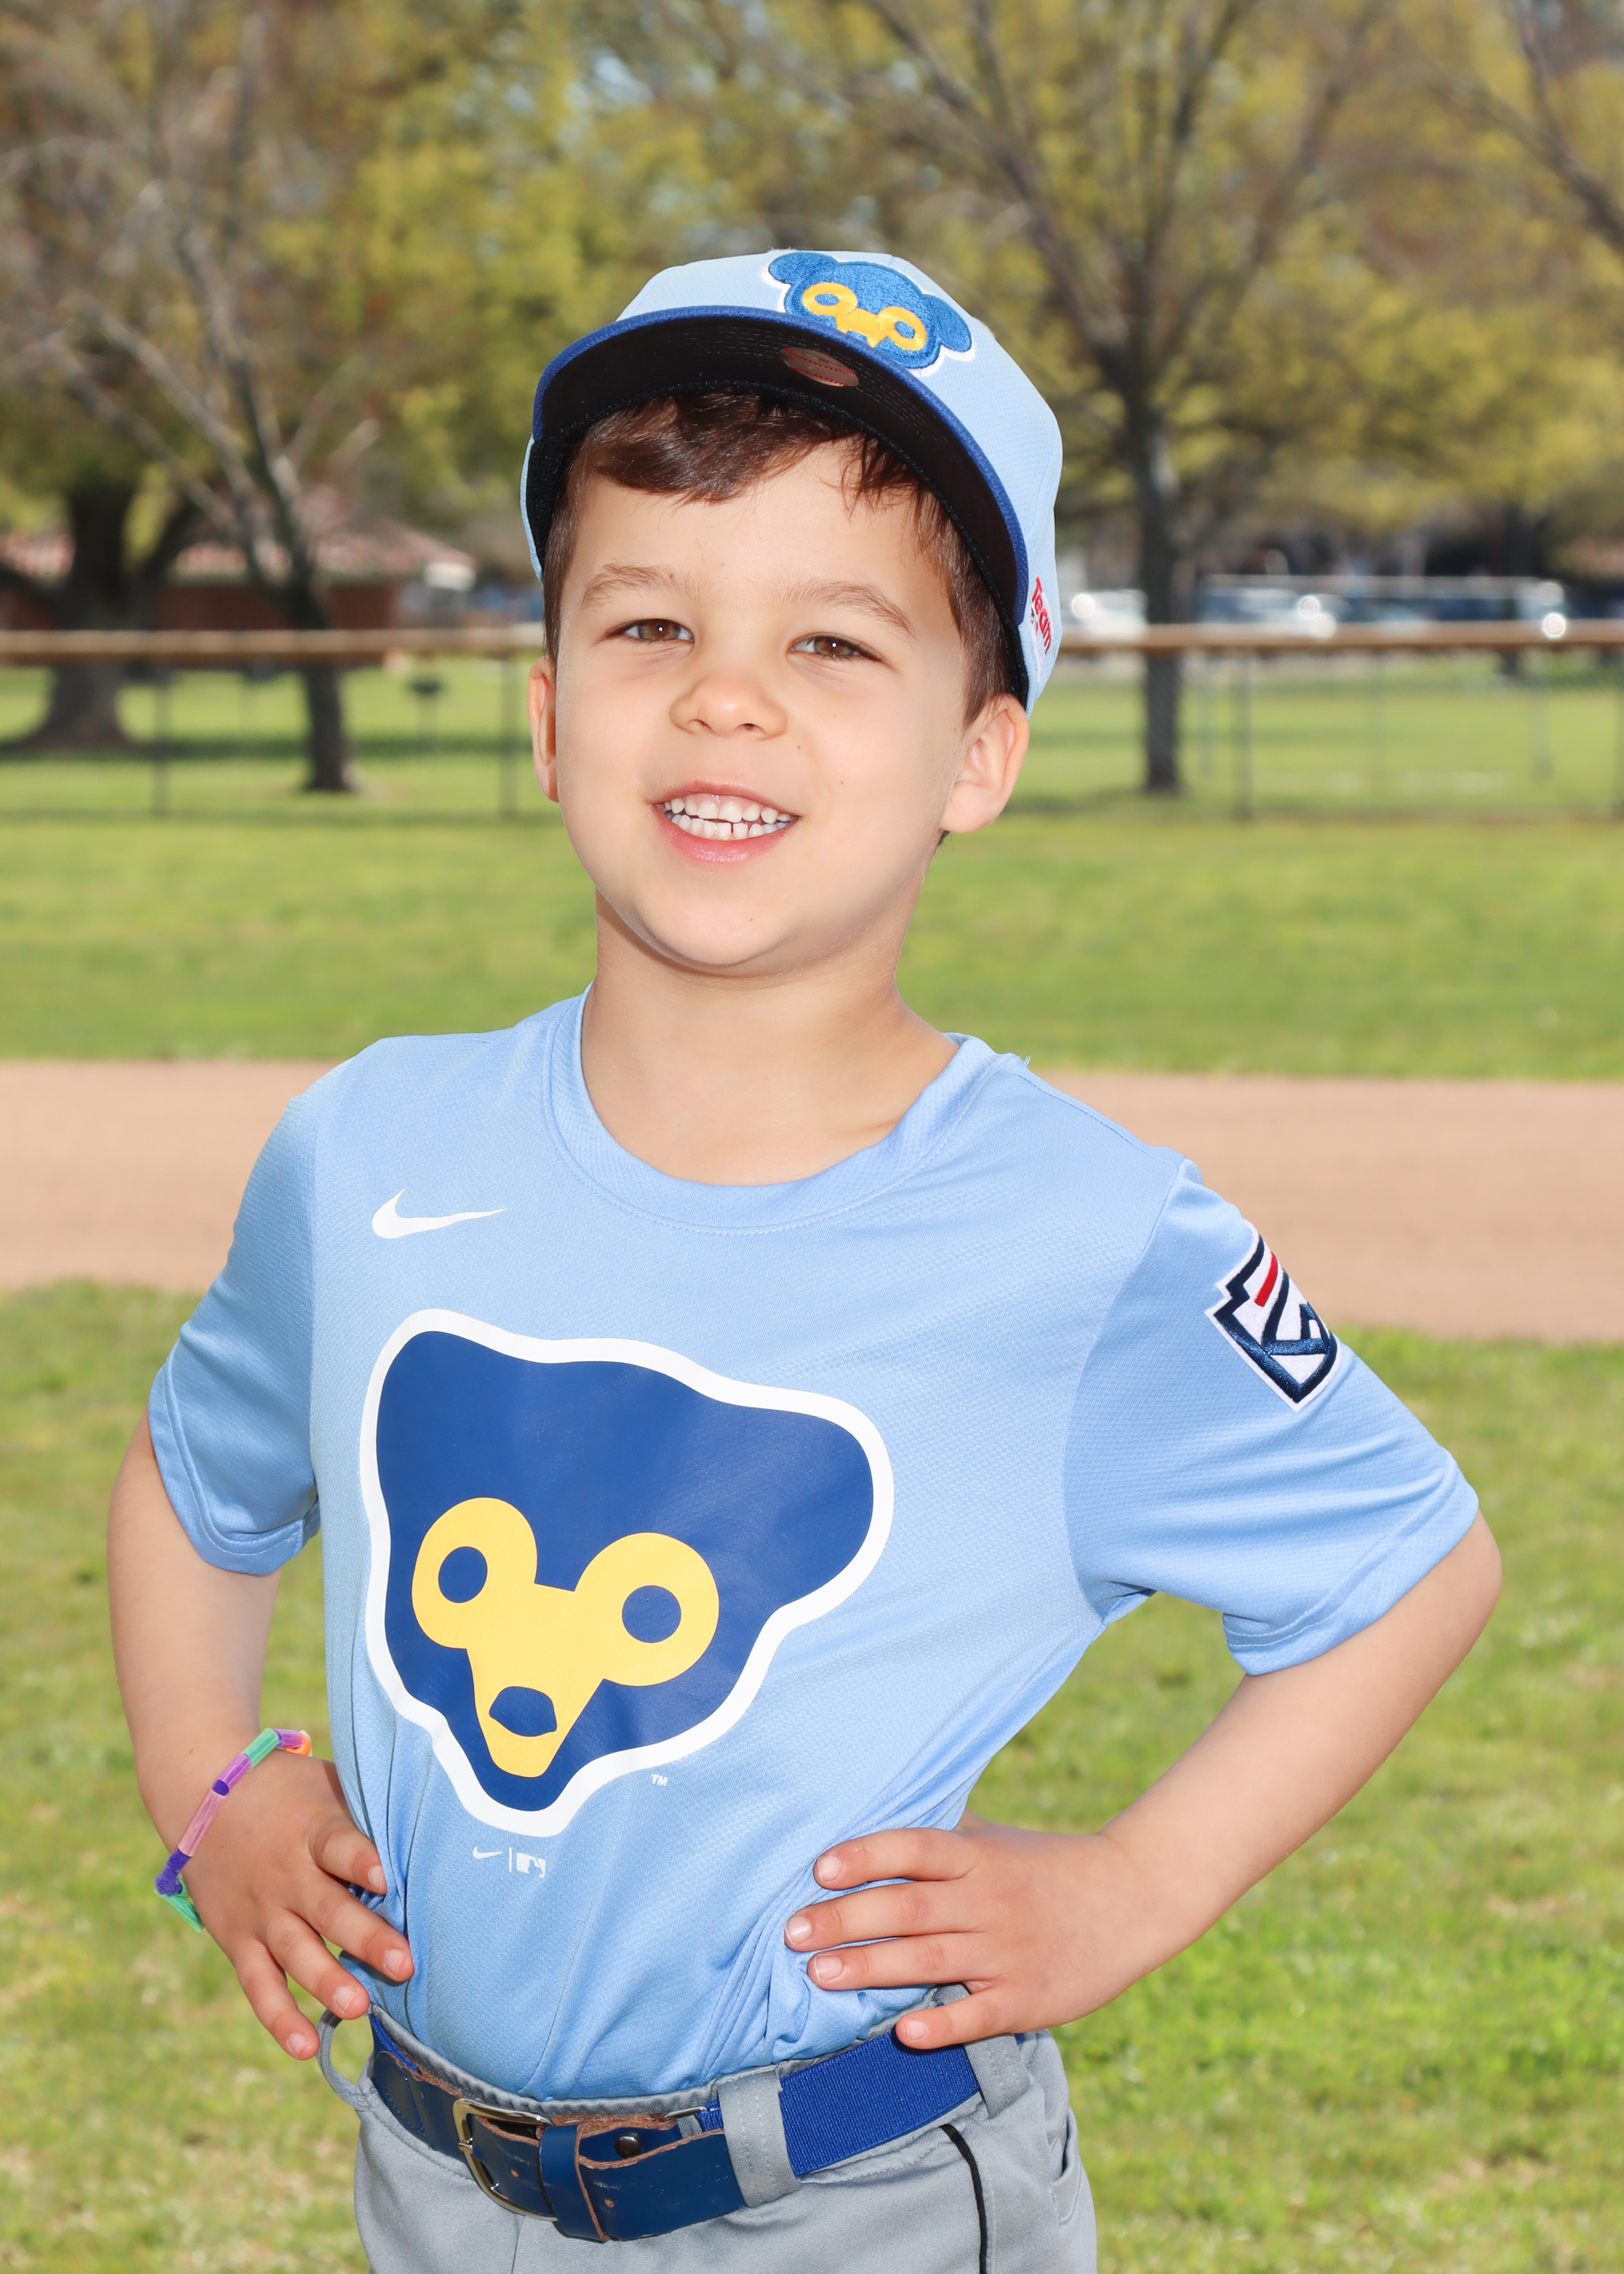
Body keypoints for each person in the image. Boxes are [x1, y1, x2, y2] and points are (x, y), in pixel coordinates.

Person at [108, 251, 1501, 2272]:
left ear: (978, 753)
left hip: (853, 2199)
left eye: (834, 642)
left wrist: (1131, 1881)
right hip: (434, 2182)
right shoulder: (370, 1148)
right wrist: (211, 1782)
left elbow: (1407, 1564)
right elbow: (198, 1477)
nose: (725, 694)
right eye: (648, 622)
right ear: (547, 711)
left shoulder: (1081, 1231)